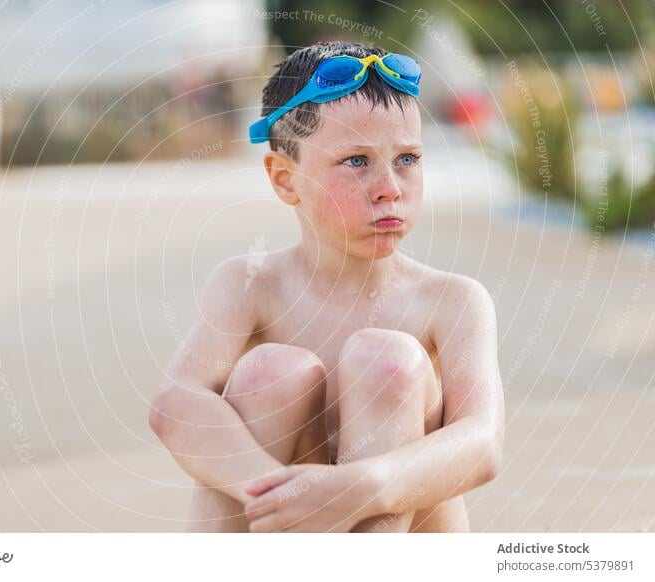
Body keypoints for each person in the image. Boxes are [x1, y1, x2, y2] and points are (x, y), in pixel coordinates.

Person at [148, 41, 505, 533]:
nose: (390, 187)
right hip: (288, 528)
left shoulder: (451, 300)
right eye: (357, 161)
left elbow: (482, 443)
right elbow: (175, 405)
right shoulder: (250, 286)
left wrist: (358, 489)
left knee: (386, 363)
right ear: (285, 179)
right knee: (270, 372)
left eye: (407, 158)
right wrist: (288, 495)